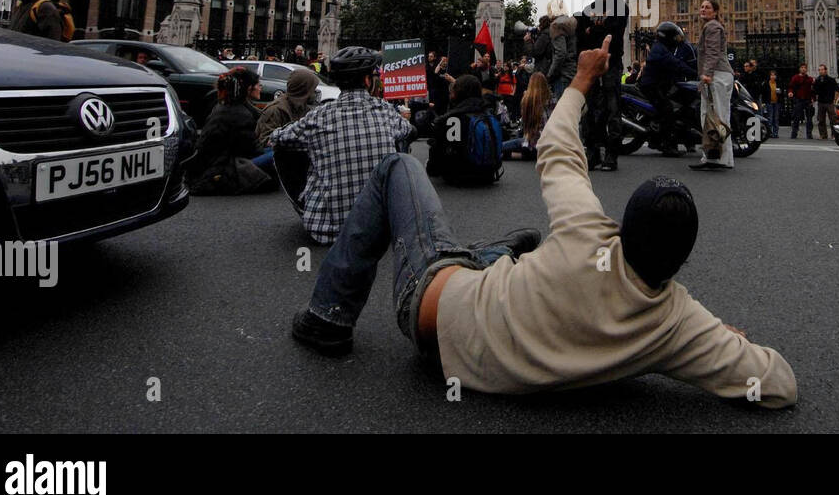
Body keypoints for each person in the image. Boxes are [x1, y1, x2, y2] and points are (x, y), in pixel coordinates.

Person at [290, 33, 797, 407]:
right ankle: (501, 254)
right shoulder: (678, 322)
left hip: (431, 306)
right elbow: (780, 384)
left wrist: (581, 77)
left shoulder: (586, 234)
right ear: (681, 260)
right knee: (520, 248)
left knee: (398, 169)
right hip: (478, 346)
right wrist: (728, 342)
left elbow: (556, 146)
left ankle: (326, 318)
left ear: (619, 227)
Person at [268, 46, 415, 244]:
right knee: (401, 142)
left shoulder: (319, 115)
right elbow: (409, 130)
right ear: (366, 80)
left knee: (286, 148)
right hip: (381, 230)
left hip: (328, 229)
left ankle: (308, 201)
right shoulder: (385, 111)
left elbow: (276, 139)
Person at [189, 67, 273, 195]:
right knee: (278, 152)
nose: (260, 86)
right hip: (223, 167)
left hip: (211, 163)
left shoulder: (225, 106)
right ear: (248, 88)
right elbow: (251, 150)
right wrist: (268, 144)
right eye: (257, 84)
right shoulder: (240, 113)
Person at [578, 0, 629, 171]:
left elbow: (614, 35)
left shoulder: (620, 6)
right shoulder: (588, 8)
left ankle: (611, 154)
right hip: (591, 65)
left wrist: (594, 29)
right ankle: (592, 153)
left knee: (612, 109)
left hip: (611, 63)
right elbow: (582, 36)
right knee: (589, 110)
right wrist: (596, 30)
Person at [426, 74, 503, 184]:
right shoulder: (488, 113)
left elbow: (441, 150)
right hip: (488, 173)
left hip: (458, 175)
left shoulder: (452, 118)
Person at [690, 0, 734, 171]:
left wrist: (707, 74)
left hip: (717, 76)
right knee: (720, 118)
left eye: (707, 7)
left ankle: (716, 158)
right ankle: (722, 158)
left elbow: (713, 52)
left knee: (715, 119)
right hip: (719, 75)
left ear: (715, 12)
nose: (703, 9)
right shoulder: (711, 26)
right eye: (701, 7)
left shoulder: (713, 27)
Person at [638, 22, 688, 157]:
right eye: (675, 37)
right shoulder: (660, 49)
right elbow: (673, 63)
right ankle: (667, 145)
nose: (677, 40)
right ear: (668, 36)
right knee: (667, 110)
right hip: (652, 86)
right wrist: (692, 71)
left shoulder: (662, 47)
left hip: (658, 85)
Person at [256, 67, 322, 147]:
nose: (314, 93)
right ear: (303, 90)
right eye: (312, 89)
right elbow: (265, 141)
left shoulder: (303, 108)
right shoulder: (275, 110)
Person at [504, 72, 552, 161]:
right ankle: (524, 155)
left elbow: (525, 126)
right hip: (550, 145)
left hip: (532, 144)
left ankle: (509, 155)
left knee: (500, 147)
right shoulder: (552, 100)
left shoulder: (528, 101)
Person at [546, 0, 577, 101]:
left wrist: (550, 74)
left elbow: (560, 53)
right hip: (574, 71)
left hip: (562, 75)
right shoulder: (572, 22)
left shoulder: (556, 25)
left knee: (562, 110)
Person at [787, 62, 814, 139]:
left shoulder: (810, 79)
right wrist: (790, 92)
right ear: (799, 69)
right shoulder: (795, 78)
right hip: (799, 99)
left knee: (809, 118)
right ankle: (794, 133)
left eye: (805, 67)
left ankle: (809, 134)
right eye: (802, 67)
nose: (803, 69)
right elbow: (790, 86)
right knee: (796, 117)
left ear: (806, 69)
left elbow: (812, 90)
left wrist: (813, 98)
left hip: (807, 100)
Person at [813, 64, 839, 140]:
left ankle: (834, 135)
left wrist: (835, 99)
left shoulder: (831, 79)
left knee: (833, 120)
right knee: (821, 119)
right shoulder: (817, 80)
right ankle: (823, 135)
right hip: (821, 102)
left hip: (829, 102)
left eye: (822, 69)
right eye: (819, 70)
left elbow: (837, 90)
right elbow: (814, 90)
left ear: (826, 70)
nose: (820, 71)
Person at [763, 69, 781, 139]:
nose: (773, 76)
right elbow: (764, 93)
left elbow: (781, 92)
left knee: (776, 118)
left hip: (776, 102)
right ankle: (769, 133)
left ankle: (775, 133)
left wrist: (779, 92)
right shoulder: (767, 83)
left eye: (774, 75)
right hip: (769, 102)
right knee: (769, 118)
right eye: (771, 75)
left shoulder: (778, 83)